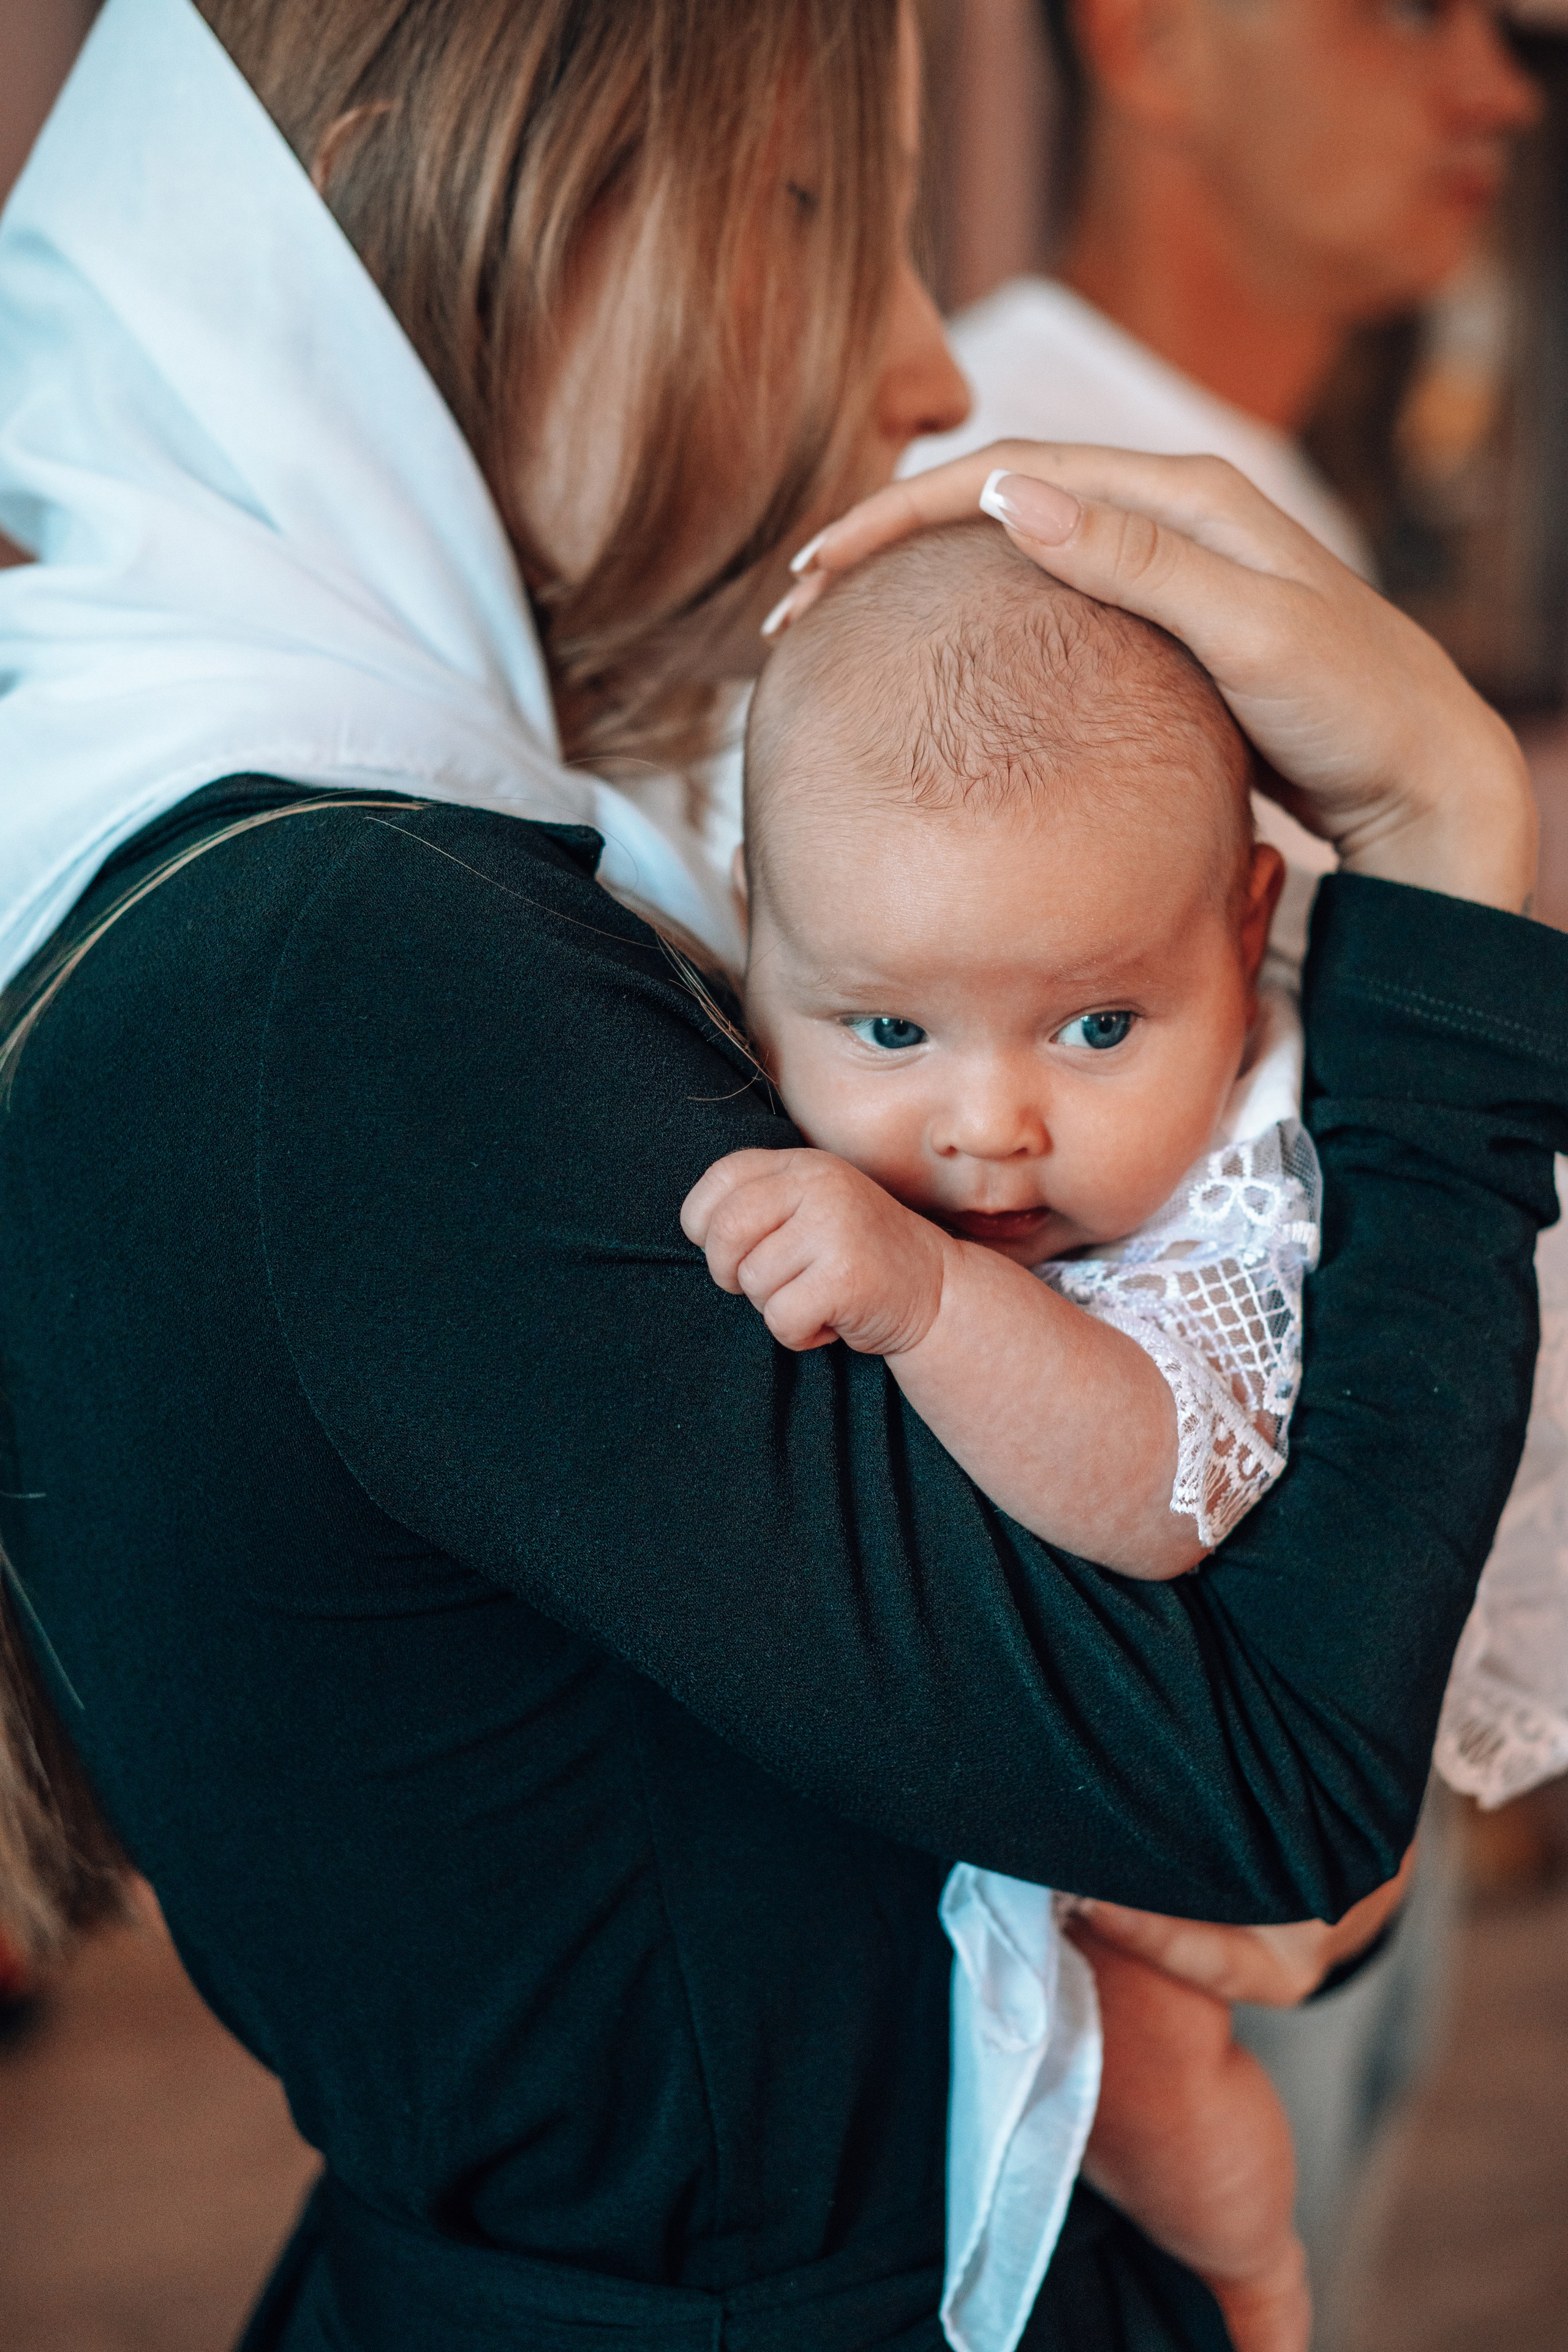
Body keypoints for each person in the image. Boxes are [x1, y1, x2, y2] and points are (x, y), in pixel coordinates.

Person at [0, 8, 1559, 2352]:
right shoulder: (364, 970)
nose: (930, 368)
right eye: (834, 220)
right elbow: (1265, 1782)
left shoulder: (218, 888)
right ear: (511, 221)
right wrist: (1447, 837)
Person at [907, 0, 1549, 2298]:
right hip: (1203, 1799)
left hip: (1375, 1728)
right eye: (1412, 11)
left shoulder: (1250, 488)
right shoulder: (1009, 503)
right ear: (1152, 34)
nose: (1495, 84)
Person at [690, 516, 1329, 2352]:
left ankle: (1266, 2296)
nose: (990, 1129)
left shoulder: (1232, 1201)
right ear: (757, 927)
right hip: (984, 1786)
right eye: (888, 1024)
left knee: (1155, 2088)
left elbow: (1156, 1495)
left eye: (1100, 1025)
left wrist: (925, 1298)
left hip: (1199, 1762)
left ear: (1246, 930)